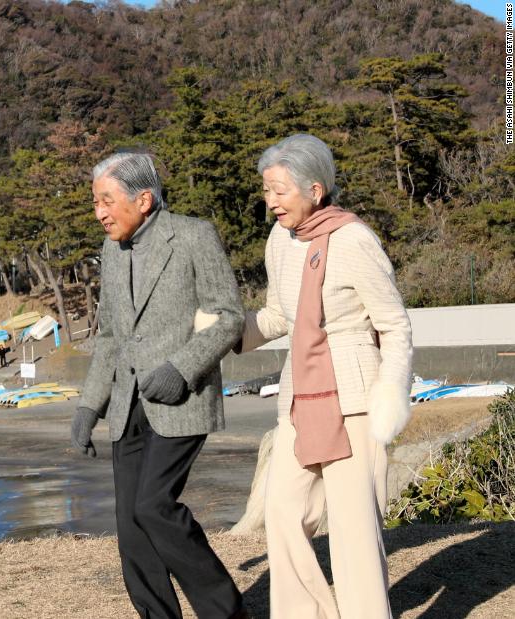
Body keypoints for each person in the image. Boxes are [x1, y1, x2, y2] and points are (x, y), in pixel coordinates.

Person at [235, 134, 412, 618]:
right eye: (266, 190)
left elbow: (393, 323)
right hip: (300, 399)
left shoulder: (355, 240)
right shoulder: (279, 240)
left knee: (354, 534)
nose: (270, 202)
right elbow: (276, 316)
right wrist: (226, 331)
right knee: (283, 515)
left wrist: (391, 395)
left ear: (315, 189)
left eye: (279, 191)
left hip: (354, 401)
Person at [72, 151, 247, 619]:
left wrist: (180, 368)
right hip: (127, 405)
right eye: (95, 202)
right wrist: (90, 406)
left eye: (107, 201)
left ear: (143, 199)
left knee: (153, 506)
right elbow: (109, 335)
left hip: (182, 399)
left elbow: (230, 317)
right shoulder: (112, 251)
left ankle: (225, 612)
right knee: (131, 528)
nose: (99, 213)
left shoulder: (194, 236)